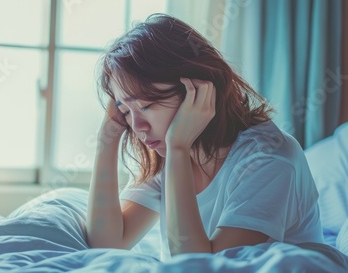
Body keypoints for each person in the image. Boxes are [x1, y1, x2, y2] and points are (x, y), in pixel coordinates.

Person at [85, 13, 324, 261]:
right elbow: (107, 242)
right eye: (125, 111)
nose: (136, 126)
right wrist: (107, 138)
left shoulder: (270, 159)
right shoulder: (168, 153)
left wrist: (178, 148)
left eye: (147, 105)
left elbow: (199, 266)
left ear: (197, 92)